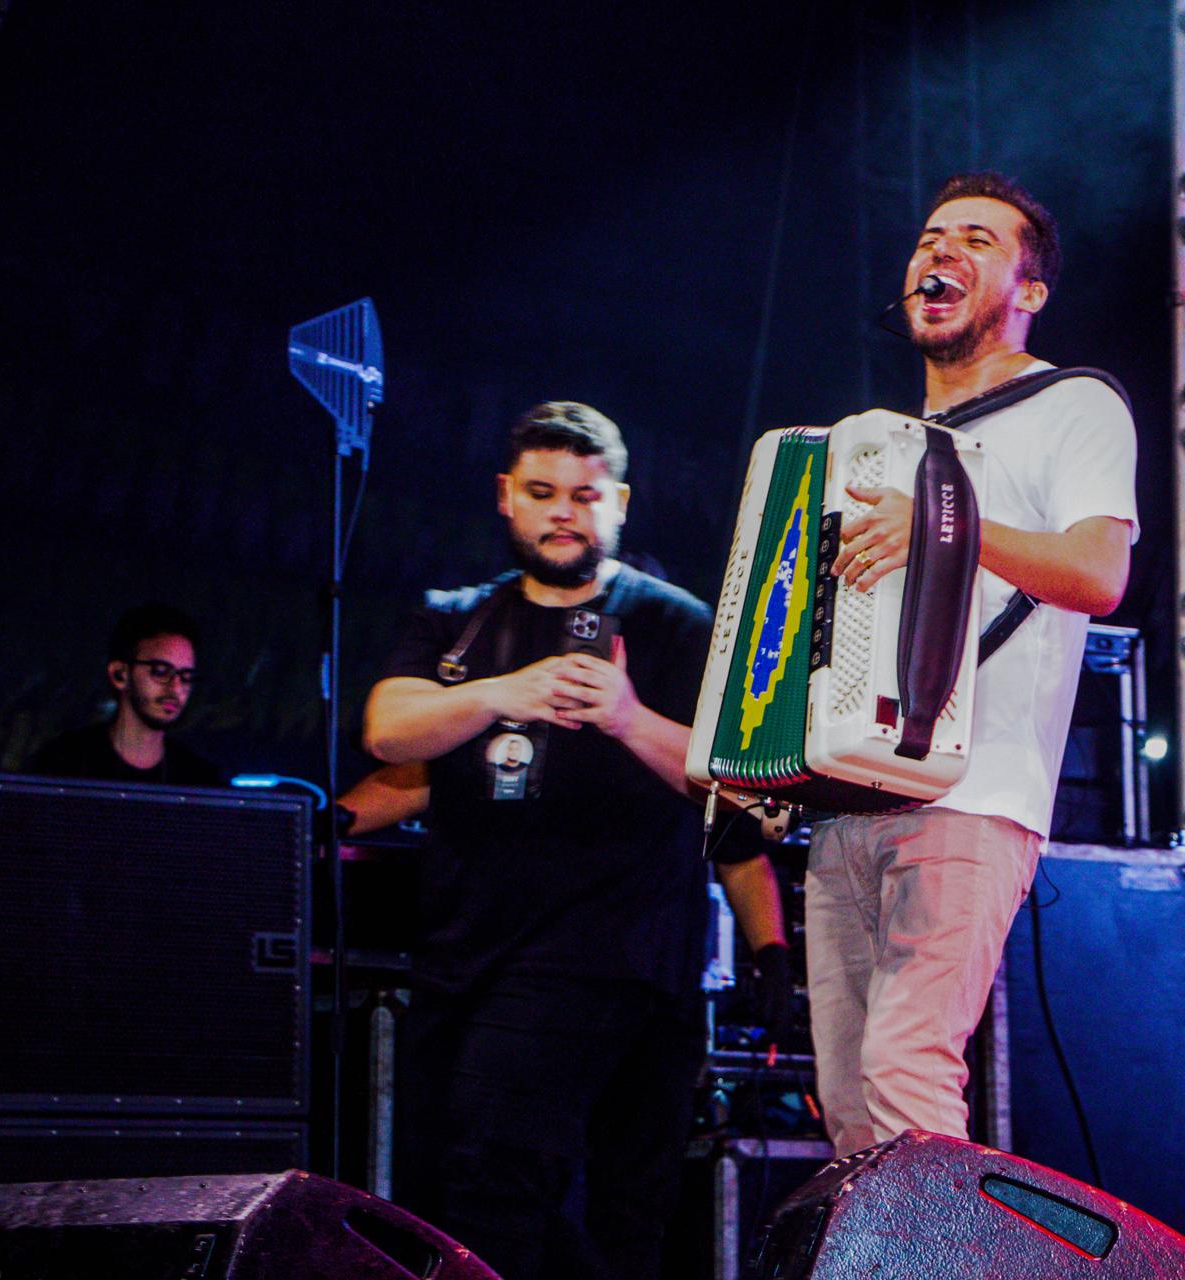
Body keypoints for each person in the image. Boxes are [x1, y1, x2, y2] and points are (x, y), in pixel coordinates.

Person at [360, 401, 787, 1280]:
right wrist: (500, 694)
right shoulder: (456, 619)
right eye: (542, 492)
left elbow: (742, 793)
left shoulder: (677, 624)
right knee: (462, 1196)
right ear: (505, 496)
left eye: (585, 496)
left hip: (618, 958)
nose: (563, 512)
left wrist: (627, 718)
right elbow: (387, 731)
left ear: (619, 502)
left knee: (531, 1193)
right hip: (462, 956)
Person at [808, 172, 1137, 1155]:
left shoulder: (1075, 403)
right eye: (930, 237)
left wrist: (944, 525)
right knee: (849, 1106)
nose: (941, 249)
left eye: (978, 240)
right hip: (847, 797)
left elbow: (1098, 573)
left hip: (974, 789)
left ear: (1030, 291)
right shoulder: (879, 445)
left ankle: (941, 1240)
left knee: (906, 1069)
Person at [30, 602, 225, 785]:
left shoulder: (200, 779)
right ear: (119, 674)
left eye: (186, 676)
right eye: (161, 672)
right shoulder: (63, 763)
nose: (176, 687)